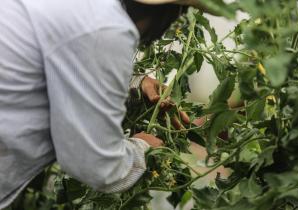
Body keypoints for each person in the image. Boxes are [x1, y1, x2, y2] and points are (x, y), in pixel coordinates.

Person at [0, 0, 212, 209]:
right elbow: (96, 164)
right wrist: (144, 148)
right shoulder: (105, 25)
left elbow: (62, 64)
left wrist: (134, 82)